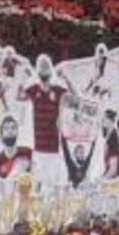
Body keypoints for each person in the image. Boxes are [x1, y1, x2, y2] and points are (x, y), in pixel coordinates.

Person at [18, 54, 74, 192]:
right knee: (36, 187)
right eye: (41, 66)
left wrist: (66, 77)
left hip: (54, 148)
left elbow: (74, 99)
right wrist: (23, 79)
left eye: (46, 65)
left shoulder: (58, 90)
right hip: (38, 148)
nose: (43, 68)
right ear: (38, 71)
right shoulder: (33, 89)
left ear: (50, 70)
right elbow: (19, 97)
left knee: (53, 186)